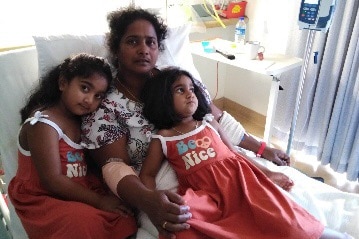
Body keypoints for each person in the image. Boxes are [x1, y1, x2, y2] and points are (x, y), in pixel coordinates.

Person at [81, 7, 295, 238]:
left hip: (216, 168)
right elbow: (115, 167)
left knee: (274, 214)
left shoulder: (177, 81)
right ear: (115, 47)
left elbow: (215, 119)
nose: (144, 49)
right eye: (133, 41)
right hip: (156, 188)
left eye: (151, 42)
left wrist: (262, 149)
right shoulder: (105, 105)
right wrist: (150, 202)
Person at [139, 66, 353, 239]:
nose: (190, 95)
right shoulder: (164, 138)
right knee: (183, 220)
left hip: (240, 181)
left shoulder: (208, 122)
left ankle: (327, 235)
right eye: (180, 90)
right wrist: (152, 201)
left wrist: (267, 174)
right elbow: (147, 174)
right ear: (164, 99)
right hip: (206, 194)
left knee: (280, 217)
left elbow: (234, 153)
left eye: (191, 89)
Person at [8, 53, 137, 239]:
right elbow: (51, 180)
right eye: (85, 88)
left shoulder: (82, 122)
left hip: (78, 191)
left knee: (122, 217)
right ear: (63, 83)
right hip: (44, 197)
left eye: (98, 96)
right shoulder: (44, 123)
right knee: (82, 220)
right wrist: (100, 201)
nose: (89, 100)